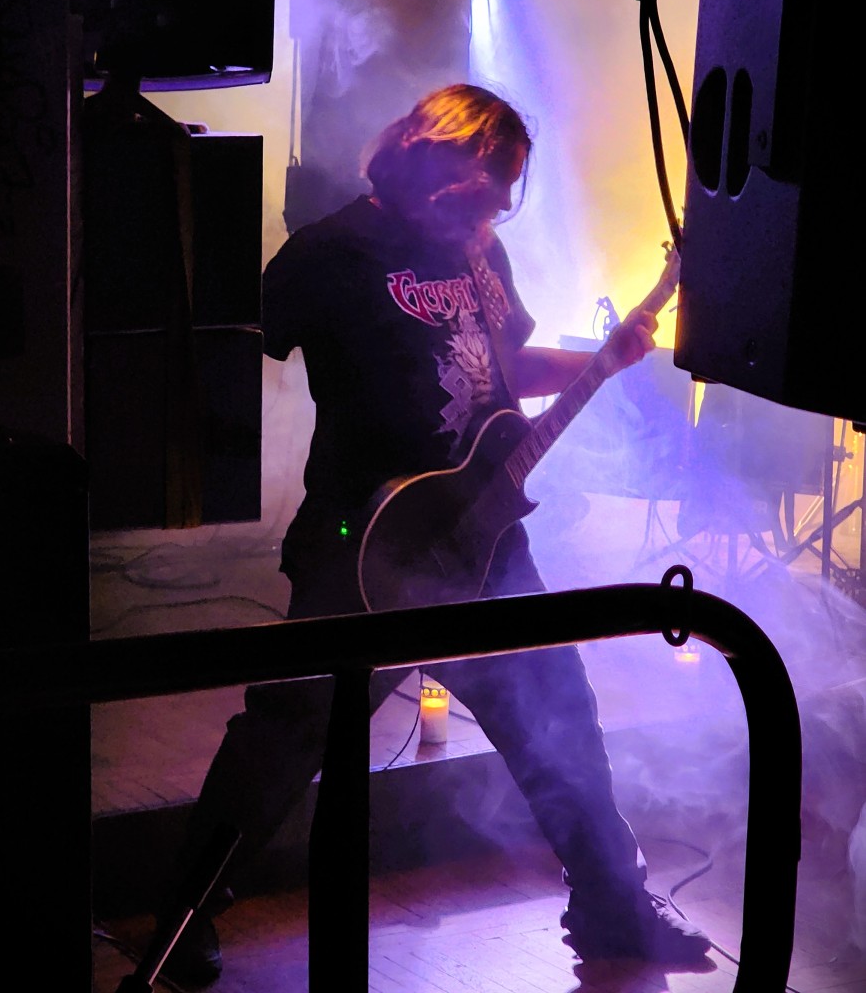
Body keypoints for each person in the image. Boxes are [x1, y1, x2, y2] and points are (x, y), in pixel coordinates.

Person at [159, 83, 712, 984]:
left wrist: (600, 360)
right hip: (367, 543)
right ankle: (184, 915)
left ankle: (612, 907)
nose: (501, 204)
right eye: (491, 182)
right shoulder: (334, 251)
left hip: (484, 537)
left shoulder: (482, 252)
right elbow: (235, 343)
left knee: (559, 714)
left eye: (511, 189)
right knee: (287, 734)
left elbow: (506, 368)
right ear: (435, 155)